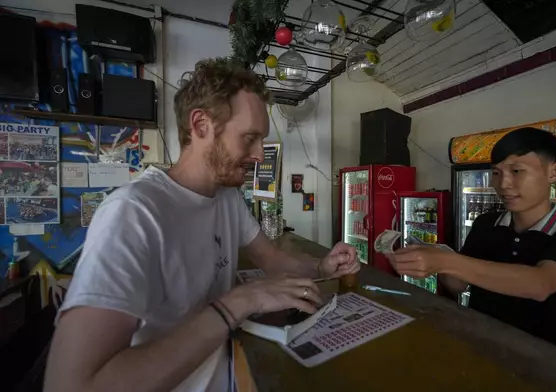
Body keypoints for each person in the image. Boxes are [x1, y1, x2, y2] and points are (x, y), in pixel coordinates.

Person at [44, 58, 360, 392]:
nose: (259, 155)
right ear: (200, 125)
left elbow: (272, 259)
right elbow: (72, 385)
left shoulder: (225, 197)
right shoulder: (132, 214)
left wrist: (321, 265)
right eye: (250, 138)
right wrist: (238, 303)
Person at [389, 127, 556, 351]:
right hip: (482, 350)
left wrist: (445, 261)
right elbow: (458, 285)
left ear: (554, 172)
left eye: (517, 171)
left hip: (547, 368)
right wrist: (431, 258)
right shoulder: (486, 224)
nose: (503, 184)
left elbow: (540, 284)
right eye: (496, 173)